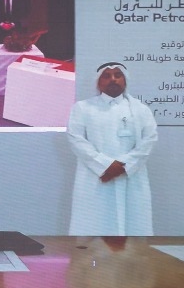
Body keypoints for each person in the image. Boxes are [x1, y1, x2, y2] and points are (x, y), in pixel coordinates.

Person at [66, 62, 158, 235]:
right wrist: (105, 165)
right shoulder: (83, 108)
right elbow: (76, 139)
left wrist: (123, 166)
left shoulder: (141, 109)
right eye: (106, 76)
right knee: (93, 235)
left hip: (131, 176)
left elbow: (149, 140)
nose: (113, 79)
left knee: (134, 233)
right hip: (96, 177)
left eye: (117, 75)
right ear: (98, 81)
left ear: (125, 80)